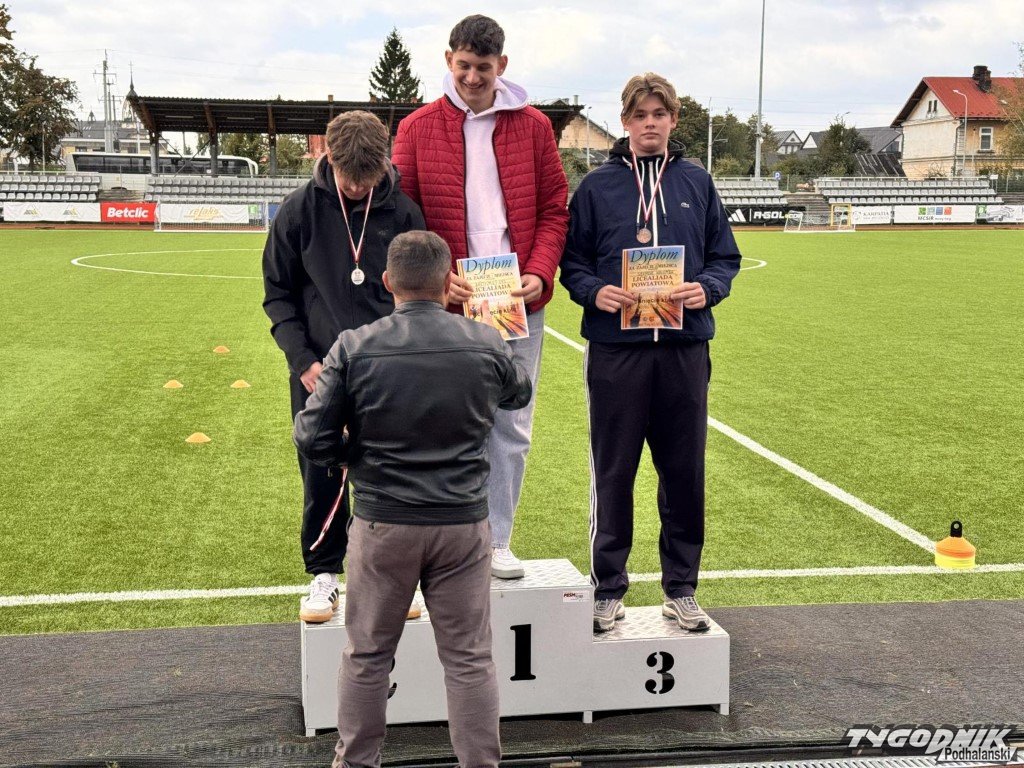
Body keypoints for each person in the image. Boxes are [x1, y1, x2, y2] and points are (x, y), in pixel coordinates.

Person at [294, 231, 532, 768]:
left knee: (367, 656)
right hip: (461, 524)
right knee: (469, 660)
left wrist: (353, 455)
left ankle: (356, 762)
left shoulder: (354, 346)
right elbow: (518, 392)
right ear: (449, 283)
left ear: (387, 282)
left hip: (385, 523)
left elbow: (311, 436)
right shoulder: (484, 341)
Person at [559, 73, 741, 633]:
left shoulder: (697, 181)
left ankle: (680, 588)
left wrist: (706, 288)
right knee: (613, 472)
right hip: (617, 351)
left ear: (673, 120)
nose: (650, 124)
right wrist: (595, 292)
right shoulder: (597, 187)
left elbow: (725, 258)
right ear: (625, 122)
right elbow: (572, 263)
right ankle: (607, 589)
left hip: (684, 349)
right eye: (640, 115)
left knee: (684, 472)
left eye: (659, 114)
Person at [392, 14, 569, 580]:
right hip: (448, 304)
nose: (472, 77)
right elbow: (402, 217)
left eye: (483, 68)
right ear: (449, 60)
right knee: (440, 423)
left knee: (510, 424)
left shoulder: (534, 127)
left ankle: (496, 541)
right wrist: (435, 279)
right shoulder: (416, 128)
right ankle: (442, 543)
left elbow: (554, 209)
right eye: (463, 65)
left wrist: (540, 271)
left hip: (517, 301)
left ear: (502, 66)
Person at [262, 110, 425, 623]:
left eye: (367, 178)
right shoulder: (298, 211)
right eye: (348, 176)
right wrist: (303, 361)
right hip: (319, 372)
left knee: (393, 473)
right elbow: (278, 295)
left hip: (388, 372)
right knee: (322, 470)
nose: (357, 187)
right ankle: (324, 573)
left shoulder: (404, 213)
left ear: (385, 163)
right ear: (327, 156)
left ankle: (395, 575)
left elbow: (419, 294)